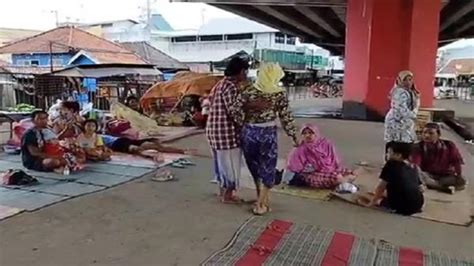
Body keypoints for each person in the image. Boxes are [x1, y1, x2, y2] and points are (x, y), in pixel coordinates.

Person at [238, 63, 298, 215]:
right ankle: (260, 204)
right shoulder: (278, 94)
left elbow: (235, 112)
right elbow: (286, 117)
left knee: (254, 166)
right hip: (267, 134)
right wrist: (294, 135)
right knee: (268, 167)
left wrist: (249, 111)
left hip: (248, 133)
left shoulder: (247, 91)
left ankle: (261, 198)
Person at [206, 57, 248, 203]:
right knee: (230, 165)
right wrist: (246, 122)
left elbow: (209, 102)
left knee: (221, 164)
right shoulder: (230, 86)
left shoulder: (220, 84)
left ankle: (222, 191)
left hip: (214, 130)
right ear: (242, 71)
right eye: (246, 71)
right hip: (226, 133)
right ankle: (228, 196)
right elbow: (235, 112)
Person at [358, 142, 424, 216]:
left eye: (389, 152)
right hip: (418, 204)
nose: (387, 155)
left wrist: (372, 202)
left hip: (401, 206)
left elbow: (381, 187)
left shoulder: (391, 164)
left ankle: (384, 202)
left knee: (365, 195)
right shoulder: (412, 166)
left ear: (398, 155)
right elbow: (421, 188)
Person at [285, 124, 356, 189]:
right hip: (312, 173)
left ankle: (343, 181)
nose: (307, 135)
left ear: (316, 134)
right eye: (304, 133)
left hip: (329, 168)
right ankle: (343, 181)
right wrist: (311, 167)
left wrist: (333, 168)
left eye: (310, 133)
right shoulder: (301, 148)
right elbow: (295, 167)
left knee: (348, 172)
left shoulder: (325, 143)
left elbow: (334, 159)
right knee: (335, 177)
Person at [412, 123, 466, 194]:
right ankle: (442, 188)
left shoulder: (449, 145)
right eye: (424, 132)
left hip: (445, 175)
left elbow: (456, 161)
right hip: (427, 175)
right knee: (417, 174)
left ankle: (433, 185)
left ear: (438, 135)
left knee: (462, 181)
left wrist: (459, 175)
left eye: (431, 133)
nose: (426, 135)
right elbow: (416, 165)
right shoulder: (417, 146)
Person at [384, 70, 420, 159]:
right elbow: (401, 109)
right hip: (397, 122)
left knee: (404, 145)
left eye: (410, 79)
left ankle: (401, 164)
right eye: (405, 80)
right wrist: (414, 117)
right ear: (399, 80)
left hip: (406, 122)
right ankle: (392, 164)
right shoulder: (399, 92)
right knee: (397, 144)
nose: (408, 82)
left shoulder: (411, 92)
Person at [100, 134, 193, 161]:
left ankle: (182, 151)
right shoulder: (93, 137)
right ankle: (151, 157)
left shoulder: (95, 135)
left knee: (152, 146)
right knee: (137, 149)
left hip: (121, 140)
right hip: (117, 143)